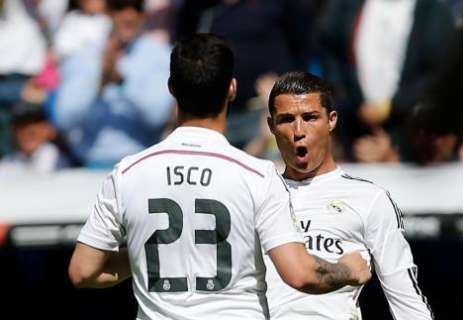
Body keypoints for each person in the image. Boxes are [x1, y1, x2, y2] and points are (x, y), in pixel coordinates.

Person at [67, 34, 371, 320]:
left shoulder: (128, 173)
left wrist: (147, 254)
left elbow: (83, 271)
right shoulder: (257, 175)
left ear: (172, 87)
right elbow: (301, 274)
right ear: (232, 88)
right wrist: (348, 269)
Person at [264, 71, 434, 319]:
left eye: (310, 117)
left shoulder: (368, 198)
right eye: (287, 119)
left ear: (331, 120)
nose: (298, 130)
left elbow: (407, 301)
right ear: (272, 126)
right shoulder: (257, 192)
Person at [50, 0, 173, 169]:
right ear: (108, 12)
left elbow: (157, 116)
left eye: (136, 9)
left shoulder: (161, 55)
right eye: (119, 7)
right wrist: (99, 82)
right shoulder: (84, 55)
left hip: (142, 165)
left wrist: (122, 82)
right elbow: (64, 119)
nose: (128, 16)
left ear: (144, 15)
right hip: (89, 165)